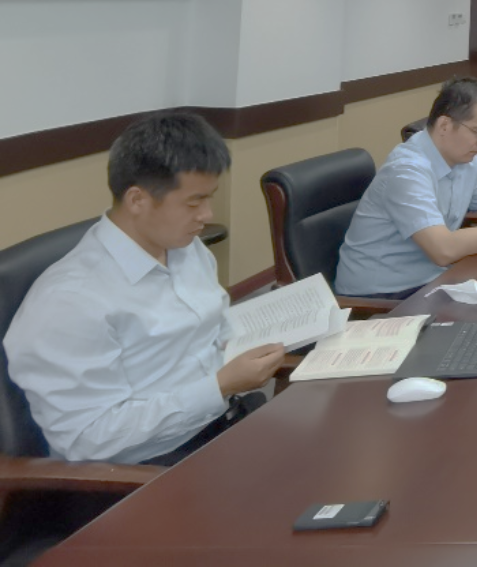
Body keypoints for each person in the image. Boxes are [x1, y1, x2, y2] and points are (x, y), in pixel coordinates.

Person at [5, 113, 285, 466]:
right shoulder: (69, 301)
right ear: (137, 200)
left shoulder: (186, 249)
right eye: (194, 202)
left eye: (209, 198)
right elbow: (88, 439)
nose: (206, 214)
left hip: (223, 421)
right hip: (144, 470)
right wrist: (218, 387)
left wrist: (239, 353)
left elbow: (213, 331)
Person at [336, 78, 477, 298]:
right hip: (380, 294)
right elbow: (443, 249)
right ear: (445, 125)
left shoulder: (466, 161)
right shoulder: (407, 170)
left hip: (430, 278)